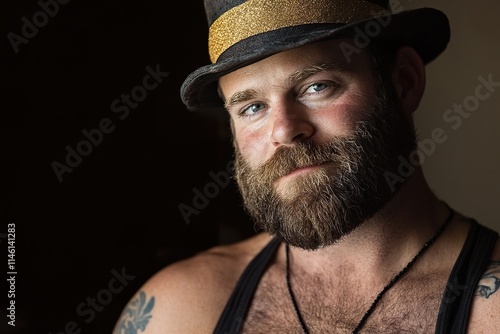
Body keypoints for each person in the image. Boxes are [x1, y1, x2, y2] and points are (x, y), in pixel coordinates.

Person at [113, 1, 500, 333]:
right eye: (252, 108)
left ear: (404, 82)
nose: (283, 131)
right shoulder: (177, 312)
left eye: (317, 86)